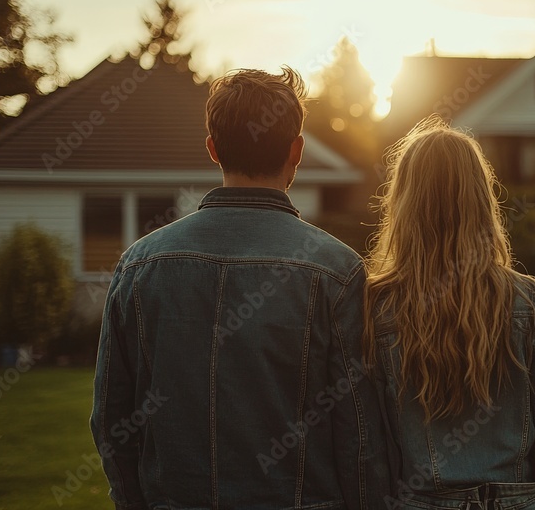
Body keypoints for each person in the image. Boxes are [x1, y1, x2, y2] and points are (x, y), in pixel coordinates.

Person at [91, 66, 389, 510]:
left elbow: (111, 419)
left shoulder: (139, 265)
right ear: (297, 150)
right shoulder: (337, 271)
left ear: (213, 148)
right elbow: (360, 434)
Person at [363, 117, 535, 510]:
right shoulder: (528, 301)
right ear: (481, 201)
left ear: (403, 203)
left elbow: (371, 445)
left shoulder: (377, 306)